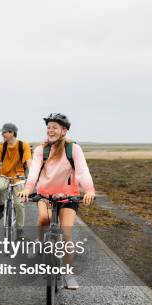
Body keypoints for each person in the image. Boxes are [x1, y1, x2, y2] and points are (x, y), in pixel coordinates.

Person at [17, 113, 95, 290]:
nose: (50, 130)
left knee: (66, 234)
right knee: (44, 219)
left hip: (69, 197)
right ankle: (39, 241)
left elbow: (82, 171)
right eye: (49, 127)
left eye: (55, 127)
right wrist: (28, 189)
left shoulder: (73, 149)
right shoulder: (40, 150)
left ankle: (68, 273)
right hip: (45, 195)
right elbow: (34, 172)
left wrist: (89, 190)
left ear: (64, 131)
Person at [0, 123, 32, 239]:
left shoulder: (23, 146)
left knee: (19, 204)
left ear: (12, 133)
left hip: (19, 176)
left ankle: (20, 229)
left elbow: (28, 161)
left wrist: (32, 174)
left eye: (4, 132)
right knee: (0, 187)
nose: (2, 134)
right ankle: (1, 205)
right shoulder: (1, 146)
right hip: (4, 175)